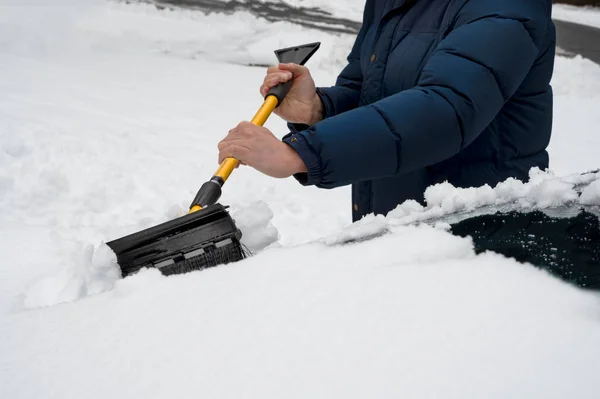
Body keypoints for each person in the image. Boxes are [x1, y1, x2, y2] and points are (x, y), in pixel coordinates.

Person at [218, 0, 556, 221]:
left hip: (479, 238)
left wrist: (302, 152)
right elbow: (367, 92)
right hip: (395, 225)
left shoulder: (505, 6)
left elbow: (449, 108)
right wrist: (318, 109)